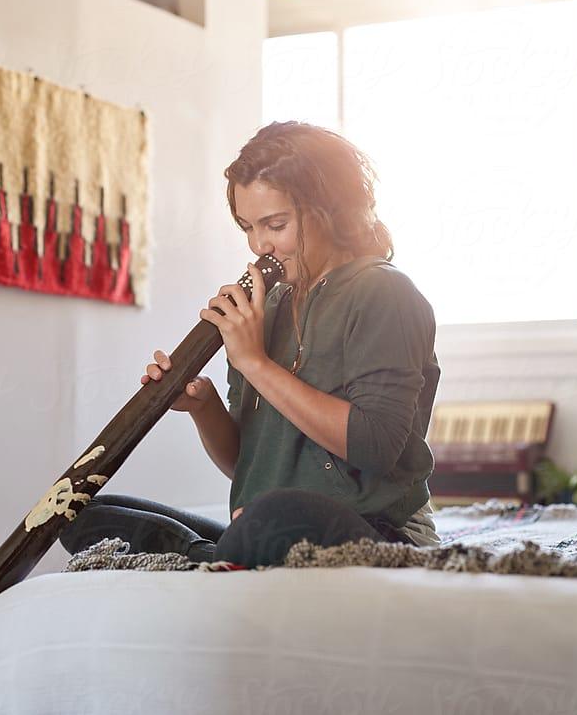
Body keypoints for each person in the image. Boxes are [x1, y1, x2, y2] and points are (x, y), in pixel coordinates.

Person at [59, 121, 442, 568]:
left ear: (332, 210)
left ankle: (242, 542)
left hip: (379, 528)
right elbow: (249, 463)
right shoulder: (267, 308)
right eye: (247, 227)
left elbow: (374, 446)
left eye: (275, 224)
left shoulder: (383, 293)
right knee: (85, 515)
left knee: (274, 514)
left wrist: (255, 362)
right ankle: (234, 547)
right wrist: (203, 406)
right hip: (274, 522)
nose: (260, 245)